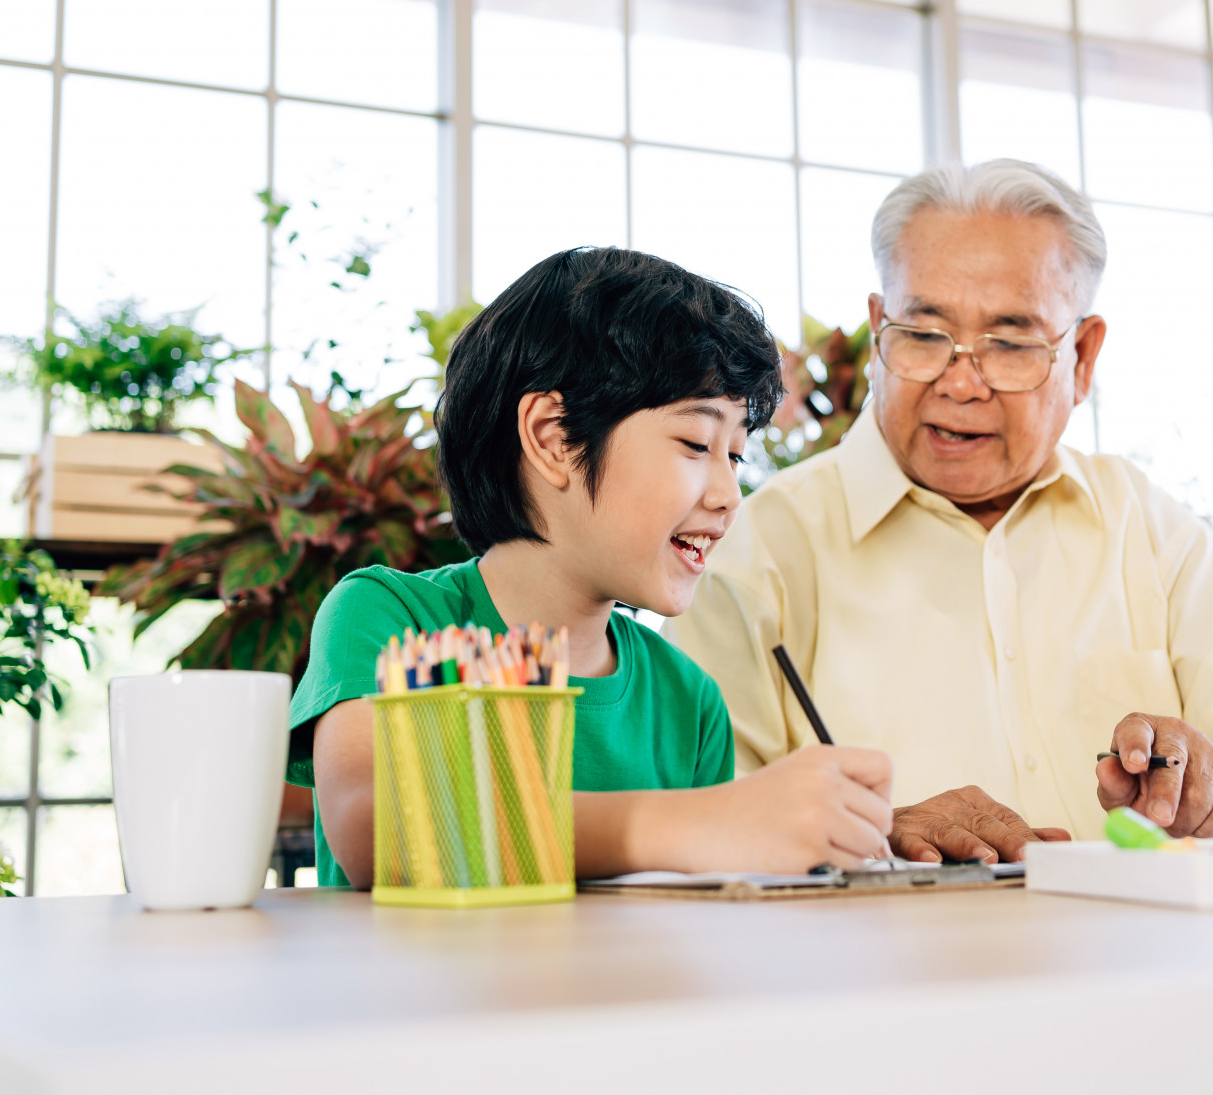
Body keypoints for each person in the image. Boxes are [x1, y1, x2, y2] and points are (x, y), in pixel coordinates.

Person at [668, 160, 1213, 863]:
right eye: (924, 337)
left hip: (1146, 963)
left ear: (1082, 357)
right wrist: (876, 836)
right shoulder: (758, 549)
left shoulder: (1143, 522)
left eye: (1011, 345)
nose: (960, 382)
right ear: (878, 331)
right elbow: (687, 822)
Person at [287, 247, 895, 886]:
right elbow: (375, 828)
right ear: (552, 438)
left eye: (736, 456)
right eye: (695, 443)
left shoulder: (689, 701)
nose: (726, 494)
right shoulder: (392, 620)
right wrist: (684, 824)